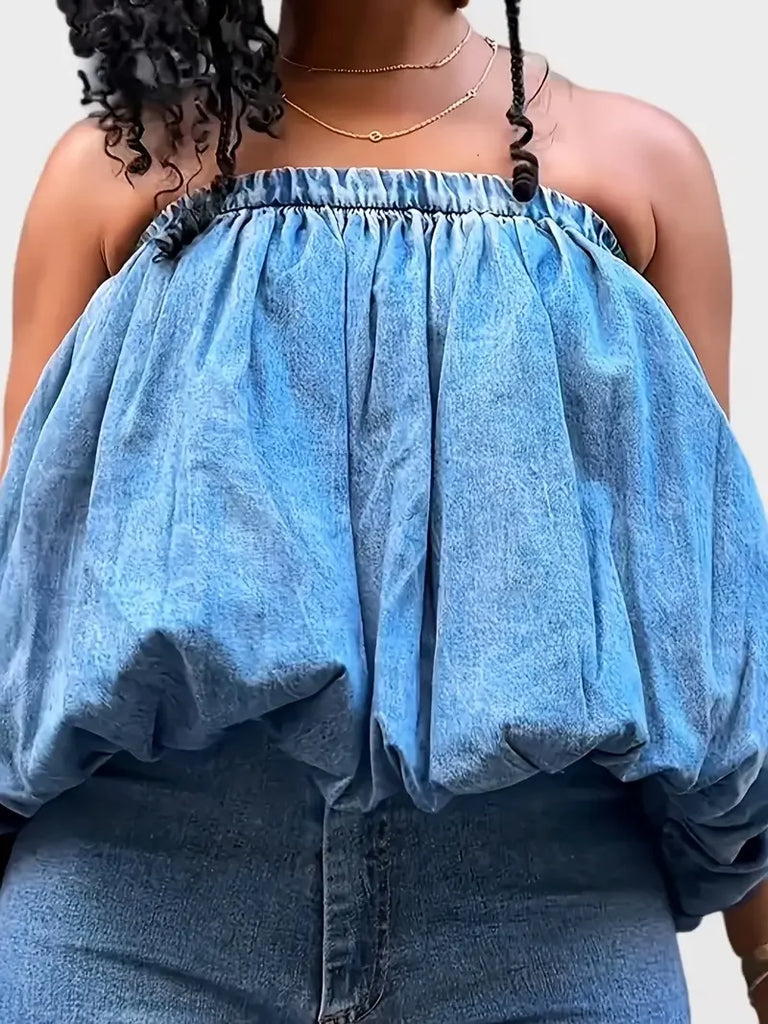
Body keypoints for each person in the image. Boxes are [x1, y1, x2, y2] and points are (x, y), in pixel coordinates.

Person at [1, 1, 767, 1020]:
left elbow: (705, 623)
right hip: (130, 912)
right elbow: (24, 604)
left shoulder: (641, 171)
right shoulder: (118, 169)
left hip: (547, 917)